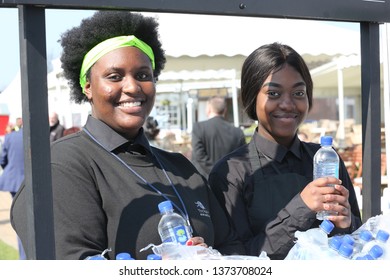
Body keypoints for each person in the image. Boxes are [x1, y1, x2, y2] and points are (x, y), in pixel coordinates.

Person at [10, 10, 244, 260]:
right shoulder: (62, 166)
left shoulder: (183, 169)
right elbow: (70, 267)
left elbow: (232, 246)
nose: (132, 87)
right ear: (87, 86)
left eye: (143, 75)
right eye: (115, 76)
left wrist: (210, 258)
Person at [208, 42, 362, 260]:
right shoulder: (230, 173)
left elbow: (360, 239)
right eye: (274, 93)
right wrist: (302, 207)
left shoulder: (326, 158)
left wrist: (347, 224)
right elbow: (235, 259)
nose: (288, 104)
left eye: (299, 92)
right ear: (251, 97)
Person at [191, 96, 246, 178]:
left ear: (208, 109)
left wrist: (215, 173)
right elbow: (242, 158)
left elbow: (199, 156)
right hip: (230, 181)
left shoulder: (198, 128)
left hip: (205, 181)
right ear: (225, 110)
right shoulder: (237, 132)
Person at [0, 121, 26, 259]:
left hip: (14, 182)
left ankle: (23, 256)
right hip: (30, 182)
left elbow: (2, 159)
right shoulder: (38, 136)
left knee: (19, 219)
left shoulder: (10, 137)